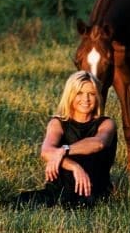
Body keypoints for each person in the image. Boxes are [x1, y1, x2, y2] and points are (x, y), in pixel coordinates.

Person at [12, 71, 117, 208]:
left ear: (98, 97)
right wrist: (74, 166)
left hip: (93, 190)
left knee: (84, 205)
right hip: (59, 191)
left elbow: (98, 143)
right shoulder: (58, 123)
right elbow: (46, 151)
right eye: (79, 93)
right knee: (20, 203)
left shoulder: (106, 123)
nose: (86, 99)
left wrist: (63, 150)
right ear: (70, 95)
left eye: (91, 94)